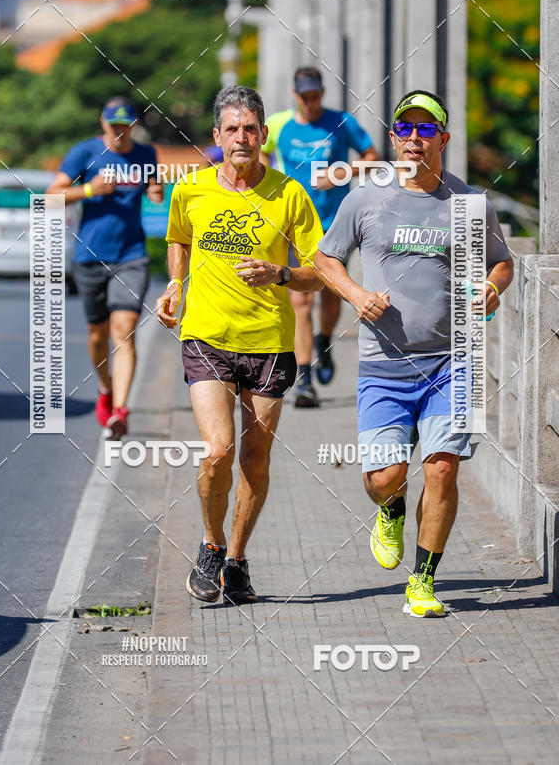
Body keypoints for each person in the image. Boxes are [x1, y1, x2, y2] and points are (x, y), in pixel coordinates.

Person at [315, 89, 514, 617]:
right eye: (406, 129)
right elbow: (325, 259)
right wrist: (357, 295)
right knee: (384, 477)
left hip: (455, 359)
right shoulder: (364, 198)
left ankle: (423, 582)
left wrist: (493, 287)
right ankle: (393, 506)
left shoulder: (470, 205)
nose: (414, 139)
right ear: (394, 139)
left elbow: (503, 262)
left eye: (427, 130)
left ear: (443, 139)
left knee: (444, 468)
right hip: (384, 364)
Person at [155, 86, 323, 605]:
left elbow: (321, 273)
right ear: (216, 136)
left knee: (254, 458)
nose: (242, 138)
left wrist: (281, 274)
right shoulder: (192, 189)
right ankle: (210, 544)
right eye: (232, 129)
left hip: (270, 345)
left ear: (264, 135)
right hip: (206, 336)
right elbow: (179, 239)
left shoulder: (290, 194)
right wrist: (176, 284)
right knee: (218, 452)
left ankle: (237, 561)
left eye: (251, 128)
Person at [261, 66, 378, 408]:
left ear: (322, 93)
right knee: (301, 298)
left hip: (334, 224)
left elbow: (371, 157)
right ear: (295, 94)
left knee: (330, 294)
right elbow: (262, 153)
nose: (310, 103)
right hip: (295, 225)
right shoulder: (281, 125)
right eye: (305, 97)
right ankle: (304, 378)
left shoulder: (341, 122)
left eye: (315, 97)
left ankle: (324, 341)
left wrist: (344, 171)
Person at [47, 96, 163, 439]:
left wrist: (156, 191)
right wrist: (88, 189)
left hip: (132, 255)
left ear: (134, 126)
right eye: (114, 126)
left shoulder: (146, 155)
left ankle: (121, 412)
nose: (120, 132)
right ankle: (104, 388)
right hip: (89, 256)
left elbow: (154, 188)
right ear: (103, 123)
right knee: (98, 335)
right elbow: (49, 196)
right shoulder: (84, 153)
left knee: (124, 330)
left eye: (125, 126)